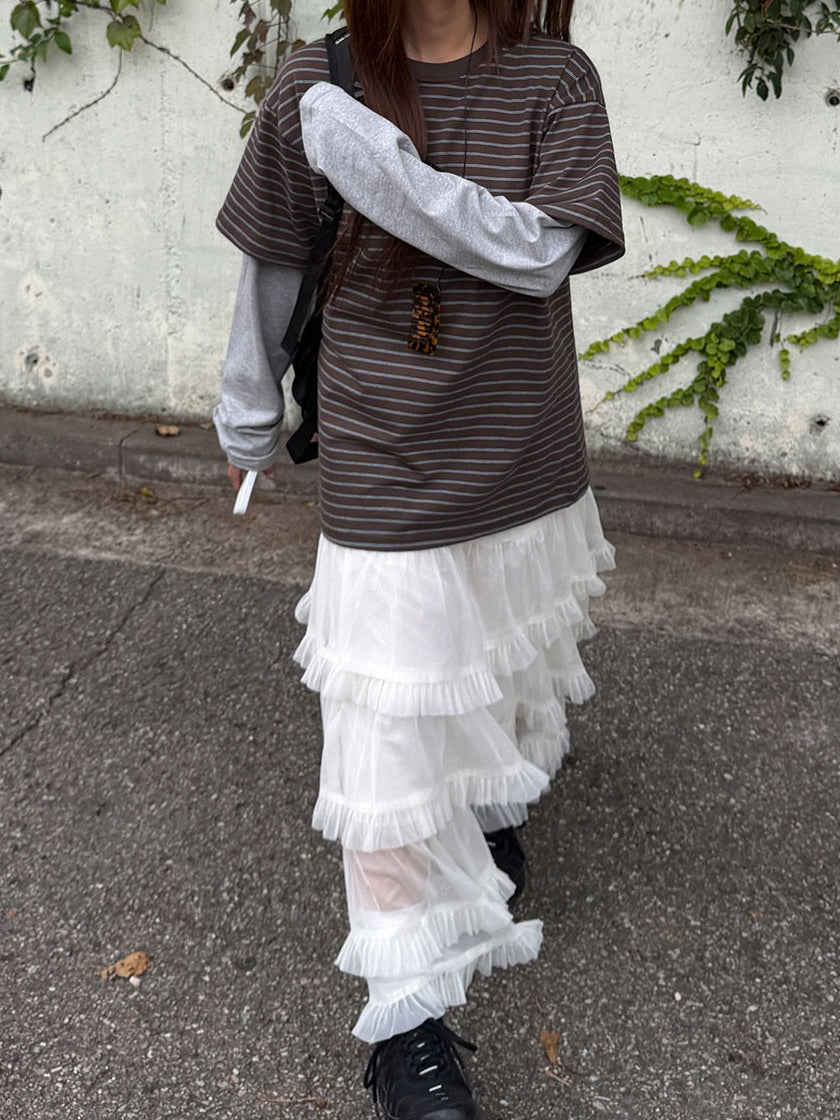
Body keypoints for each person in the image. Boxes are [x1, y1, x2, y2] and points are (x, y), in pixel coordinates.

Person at [214, 0, 624, 1114]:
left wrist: (379, 165)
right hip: (383, 453)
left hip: (518, 441)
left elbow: (539, 254)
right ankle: (406, 1021)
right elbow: (271, 263)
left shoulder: (556, 79)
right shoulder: (315, 83)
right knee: (386, 721)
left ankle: (491, 803)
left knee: (501, 649)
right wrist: (248, 405)